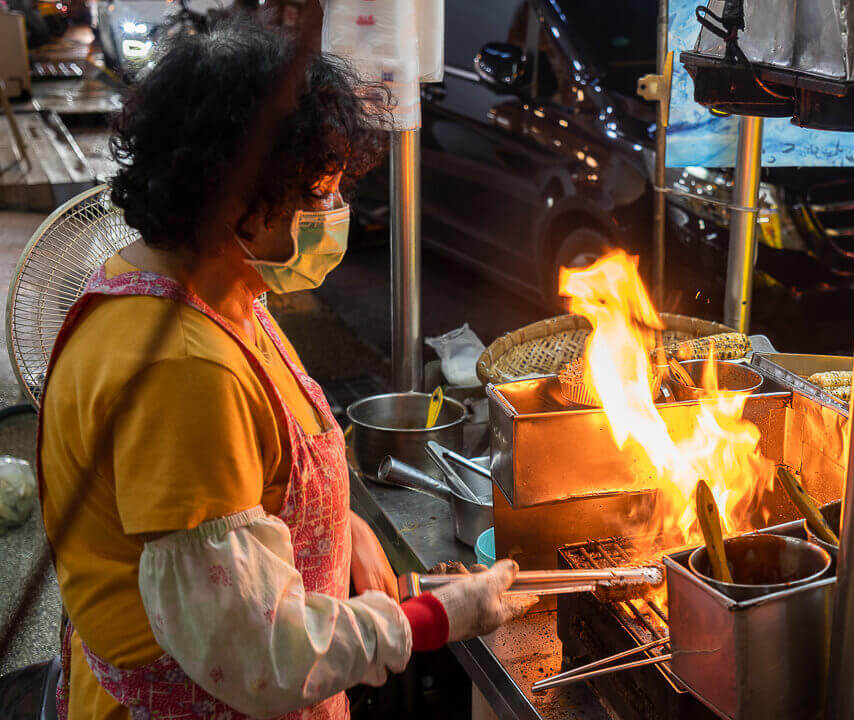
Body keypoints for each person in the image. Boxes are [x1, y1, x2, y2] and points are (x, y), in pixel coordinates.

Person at [37, 17, 529, 720]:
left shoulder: (217, 289)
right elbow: (251, 653)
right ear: (238, 199)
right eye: (319, 192)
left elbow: (261, 480)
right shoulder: (182, 370)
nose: (335, 212)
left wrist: (343, 528)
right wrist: (435, 619)